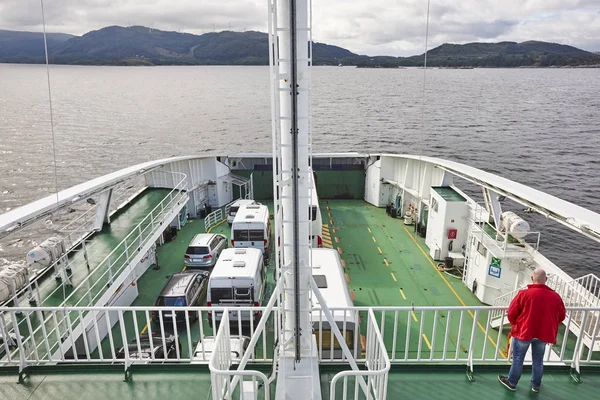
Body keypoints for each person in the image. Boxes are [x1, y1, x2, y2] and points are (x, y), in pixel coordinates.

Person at [498, 268, 566, 393]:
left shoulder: (524, 294)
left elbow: (512, 313)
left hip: (524, 332)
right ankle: (536, 385)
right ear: (546, 280)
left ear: (532, 278)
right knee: (538, 360)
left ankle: (512, 383)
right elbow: (561, 316)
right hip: (543, 334)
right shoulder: (555, 297)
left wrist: (516, 324)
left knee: (518, 358)